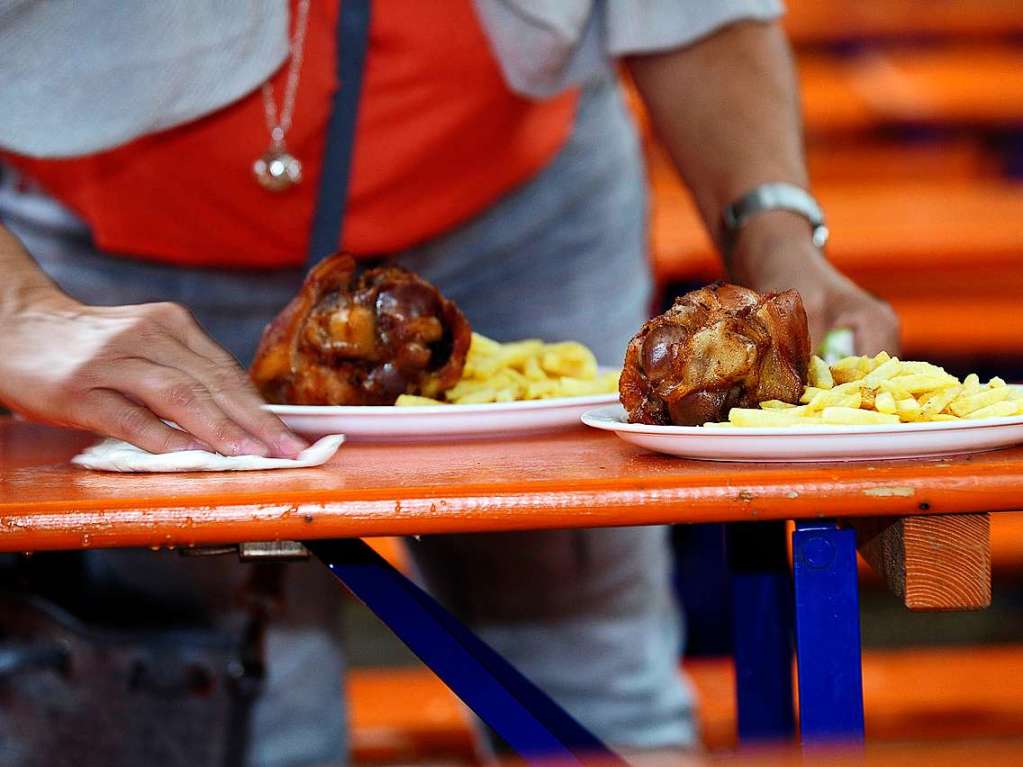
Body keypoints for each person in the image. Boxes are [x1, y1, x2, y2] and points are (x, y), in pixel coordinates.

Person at [0, 2, 899, 765]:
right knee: (225, 714)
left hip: (517, 219)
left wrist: (772, 228)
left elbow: (689, 12)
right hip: (110, 265)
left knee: (590, 688)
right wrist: (16, 310)